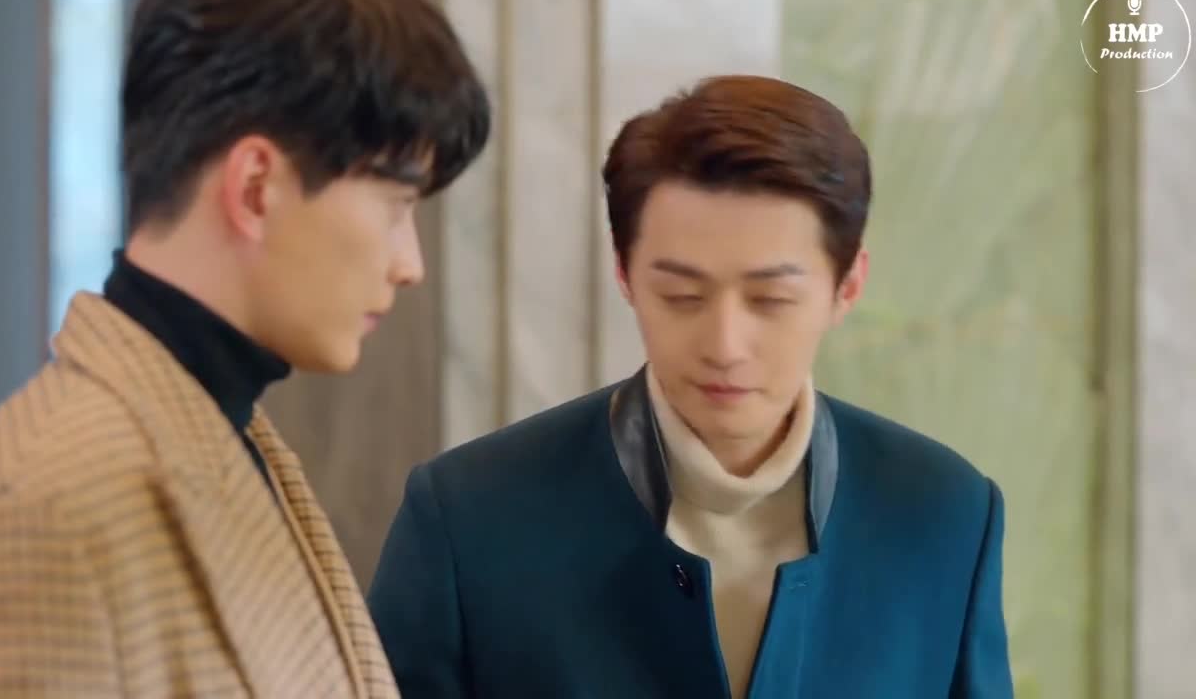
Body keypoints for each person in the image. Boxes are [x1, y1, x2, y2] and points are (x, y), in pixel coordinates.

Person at [0, 0, 489, 695]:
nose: (410, 265)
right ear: (255, 187)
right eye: (396, 206)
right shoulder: (47, 511)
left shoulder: (229, 432)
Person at [367, 75, 1012, 698]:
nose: (725, 346)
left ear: (848, 287)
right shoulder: (469, 517)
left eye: (770, 299)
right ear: (625, 274)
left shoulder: (944, 513)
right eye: (681, 295)